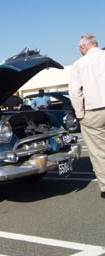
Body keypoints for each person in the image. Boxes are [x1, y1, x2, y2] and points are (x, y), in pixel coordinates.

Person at [69, 34, 105, 199]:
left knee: (98, 151)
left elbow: (75, 92)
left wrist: (80, 114)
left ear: (83, 48)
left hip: (93, 112)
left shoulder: (79, 64)